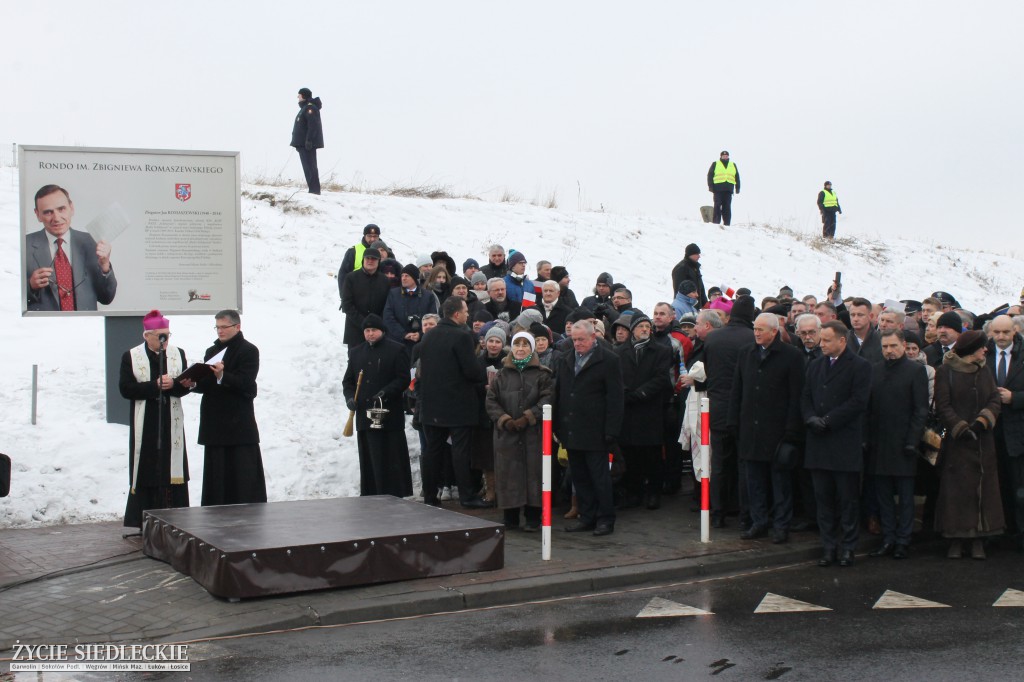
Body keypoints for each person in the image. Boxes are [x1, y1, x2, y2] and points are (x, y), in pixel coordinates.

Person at [728, 313, 806, 544]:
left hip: (778, 432)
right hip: (750, 430)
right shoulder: (746, 353)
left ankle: (781, 525)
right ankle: (758, 522)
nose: (757, 332)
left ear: (774, 331)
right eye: (755, 328)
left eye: (762, 329)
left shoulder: (792, 356)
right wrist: (734, 422)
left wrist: (792, 431)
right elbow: (737, 390)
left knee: (780, 483)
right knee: (754, 482)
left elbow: (796, 395)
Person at [802, 320, 871, 567]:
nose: (822, 345)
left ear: (842, 341)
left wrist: (829, 420)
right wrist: (810, 418)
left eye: (827, 340)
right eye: (822, 340)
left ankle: (848, 547)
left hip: (843, 441)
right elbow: (806, 396)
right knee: (823, 500)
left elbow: (858, 401)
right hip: (818, 442)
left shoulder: (860, 366)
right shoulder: (815, 365)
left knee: (847, 499)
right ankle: (828, 546)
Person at [934, 330, 1005, 559]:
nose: (985, 350)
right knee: (956, 492)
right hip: (958, 444)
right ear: (970, 349)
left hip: (983, 442)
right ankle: (956, 538)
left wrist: (982, 421)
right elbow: (943, 405)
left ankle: (978, 539)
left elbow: (994, 398)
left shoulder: (984, 370)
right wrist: (961, 427)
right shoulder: (946, 371)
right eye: (981, 347)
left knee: (983, 491)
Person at [417, 296, 492, 509]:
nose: (468, 315)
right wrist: (480, 368)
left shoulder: (428, 337)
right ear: (457, 314)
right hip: (458, 405)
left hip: (432, 405)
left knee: (433, 451)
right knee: (461, 452)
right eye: (466, 311)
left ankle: (430, 496)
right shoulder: (462, 336)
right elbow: (472, 371)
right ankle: (467, 496)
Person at [118, 310, 191, 528]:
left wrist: (175, 385)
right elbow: (126, 389)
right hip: (147, 420)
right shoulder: (131, 356)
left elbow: (186, 386)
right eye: (160, 335)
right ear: (146, 335)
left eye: (167, 335)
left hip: (171, 419)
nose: (165, 340)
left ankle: (176, 517)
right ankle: (145, 519)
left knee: (172, 467)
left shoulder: (178, 353)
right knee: (148, 467)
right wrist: (154, 386)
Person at [554, 320, 624, 536]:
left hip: (596, 431)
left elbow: (615, 398)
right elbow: (560, 393)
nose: (577, 344)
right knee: (580, 477)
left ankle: (605, 518)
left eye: (581, 339)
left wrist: (611, 430)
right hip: (572, 430)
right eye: (574, 340)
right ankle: (587, 516)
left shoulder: (609, 360)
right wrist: (558, 426)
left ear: (593, 337)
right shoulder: (566, 359)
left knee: (600, 477)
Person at [190, 310, 267, 506]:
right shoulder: (211, 351)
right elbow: (207, 384)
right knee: (217, 473)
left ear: (237, 327)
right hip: (215, 421)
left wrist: (222, 376)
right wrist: (192, 383)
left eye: (224, 327)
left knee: (242, 473)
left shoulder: (249, 350)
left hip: (238, 422)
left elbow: (246, 382)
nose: (220, 331)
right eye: (217, 327)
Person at [865, 329, 929, 560]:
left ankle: (903, 540)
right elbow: (869, 409)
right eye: (885, 347)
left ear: (903, 345)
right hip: (879, 444)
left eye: (893, 346)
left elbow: (920, 410)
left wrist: (912, 440)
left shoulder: (915, 371)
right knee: (883, 496)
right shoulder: (875, 371)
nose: (889, 351)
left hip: (904, 444)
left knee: (905, 496)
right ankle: (888, 537)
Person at [486, 332, 554, 531]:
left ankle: (533, 518)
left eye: (525, 344)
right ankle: (511, 517)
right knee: (509, 474)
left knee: (534, 474)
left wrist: (528, 417)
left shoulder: (543, 374)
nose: (521, 348)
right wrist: (504, 420)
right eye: (517, 344)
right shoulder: (501, 375)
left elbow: (547, 399)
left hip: (534, 434)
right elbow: (491, 401)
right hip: (507, 435)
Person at [343, 314, 413, 498]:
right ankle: (372, 492)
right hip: (365, 414)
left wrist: (387, 392)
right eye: (367, 330)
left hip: (389, 413)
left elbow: (403, 378)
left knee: (391, 454)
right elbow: (348, 381)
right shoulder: (356, 352)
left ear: (381, 331)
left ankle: (395, 492)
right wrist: (350, 398)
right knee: (370, 455)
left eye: (374, 330)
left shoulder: (397, 349)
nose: (370, 334)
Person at [703, 295, 756, 527]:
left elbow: (707, 371)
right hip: (745, 411)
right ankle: (745, 514)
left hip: (718, 407)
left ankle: (717, 514)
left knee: (720, 465)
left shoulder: (713, 338)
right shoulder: (752, 338)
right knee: (744, 464)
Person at [26, 184, 117, 312]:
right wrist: (30, 286)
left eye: (61, 209)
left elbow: (106, 298)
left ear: (71, 208)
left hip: (86, 327)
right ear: (38, 215)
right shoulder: (23, 245)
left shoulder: (92, 242)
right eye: (48, 212)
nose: (56, 218)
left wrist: (105, 266)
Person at [987, 315, 1024, 548]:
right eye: (996, 333)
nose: (1001, 337)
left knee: (1019, 487)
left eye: (1005, 333)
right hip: (990, 432)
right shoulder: (983, 354)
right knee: (994, 485)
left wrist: (1015, 398)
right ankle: (997, 531)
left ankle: (1020, 533)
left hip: (1018, 433)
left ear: (1015, 331)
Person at [383, 264, 440, 352]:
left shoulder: (428, 296)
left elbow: (433, 318)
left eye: (407, 276)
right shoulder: (393, 294)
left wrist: (420, 334)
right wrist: (403, 334)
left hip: (422, 344)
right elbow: (388, 318)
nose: (403, 278)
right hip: (398, 343)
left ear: (414, 278)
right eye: (402, 276)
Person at [341, 247, 390, 346]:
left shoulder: (385, 280)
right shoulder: (351, 278)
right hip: (355, 329)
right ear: (363, 259)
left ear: (379, 261)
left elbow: (387, 305)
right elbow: (346, 304)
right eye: (368, 258)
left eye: (374, 259)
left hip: (378, 331)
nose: (370, 261)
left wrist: (377, 324)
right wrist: (364, 323)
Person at [290, 87, 323, 194]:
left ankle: (314, 191)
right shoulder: (304, 108)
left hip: (307, 145)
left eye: (299, 96)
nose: (298, 98)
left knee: (310, 167)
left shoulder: (310, 108)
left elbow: (312, 125)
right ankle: (312, 189)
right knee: (307, 167)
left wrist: (309, 140)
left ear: (303, 96)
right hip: (302, 144)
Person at [337, 224, 382, 303]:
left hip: (380, 297)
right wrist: (344, 297)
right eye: (369, 236)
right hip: (357, 297)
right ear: (364, 236)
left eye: (375, 236)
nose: (372, 239)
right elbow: (343, 274)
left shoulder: (386, 251)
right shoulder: (353, 251)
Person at [707, 151, 740, 226]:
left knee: (727, 207)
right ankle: (716, 223)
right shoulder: (715, 164)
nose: (725, 157)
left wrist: (737, 188)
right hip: (718, 189)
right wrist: (710, 187)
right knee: (717, 206)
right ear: (721, 156)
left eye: (726, 155)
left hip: (728, 190)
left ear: (728, 156)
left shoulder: (733, 165)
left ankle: (727, 224)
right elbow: (710, 175)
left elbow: (737, 177)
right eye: (723, 155)